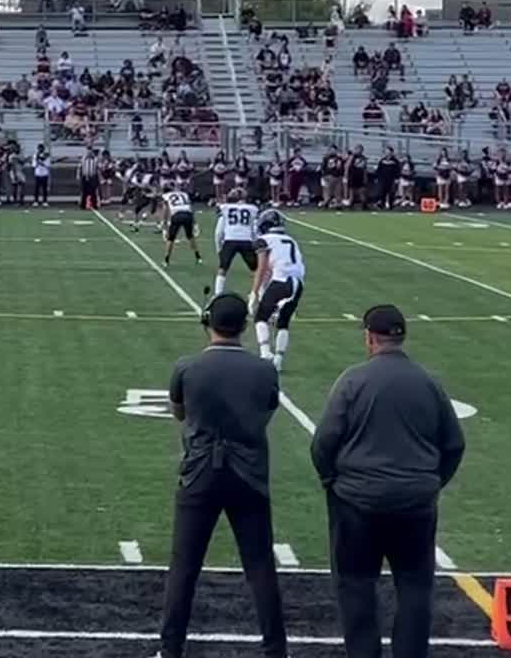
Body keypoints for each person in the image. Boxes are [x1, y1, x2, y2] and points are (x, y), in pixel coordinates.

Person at [311, 305, 465, 658]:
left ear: (369, 337)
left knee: (356, 586)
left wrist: (332, 481)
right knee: (414, 587)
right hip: (415, 502)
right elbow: (454, 444)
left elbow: (323, 443)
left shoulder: (352, 380)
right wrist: (430, 483)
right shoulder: (429, 382)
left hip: (357, 501)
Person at [154, 293, 287, 658]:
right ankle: (276, 650)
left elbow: (179, 412)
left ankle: (171, 650)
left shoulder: (187, 367)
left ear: (207, 323)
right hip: (249, 474)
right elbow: (267, 410)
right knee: (260, 567)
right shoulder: (264, 370)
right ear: (244, 326)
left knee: (184, 567)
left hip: (200, 473)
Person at [250, 209, 305, 371]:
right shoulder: (291, 240)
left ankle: (265, 353)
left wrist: (254, 292)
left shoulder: (264, 240)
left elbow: (262, 269)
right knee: (283, 323)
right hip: (298, 283)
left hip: (282, 281)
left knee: (261, 317)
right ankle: (278, 360)